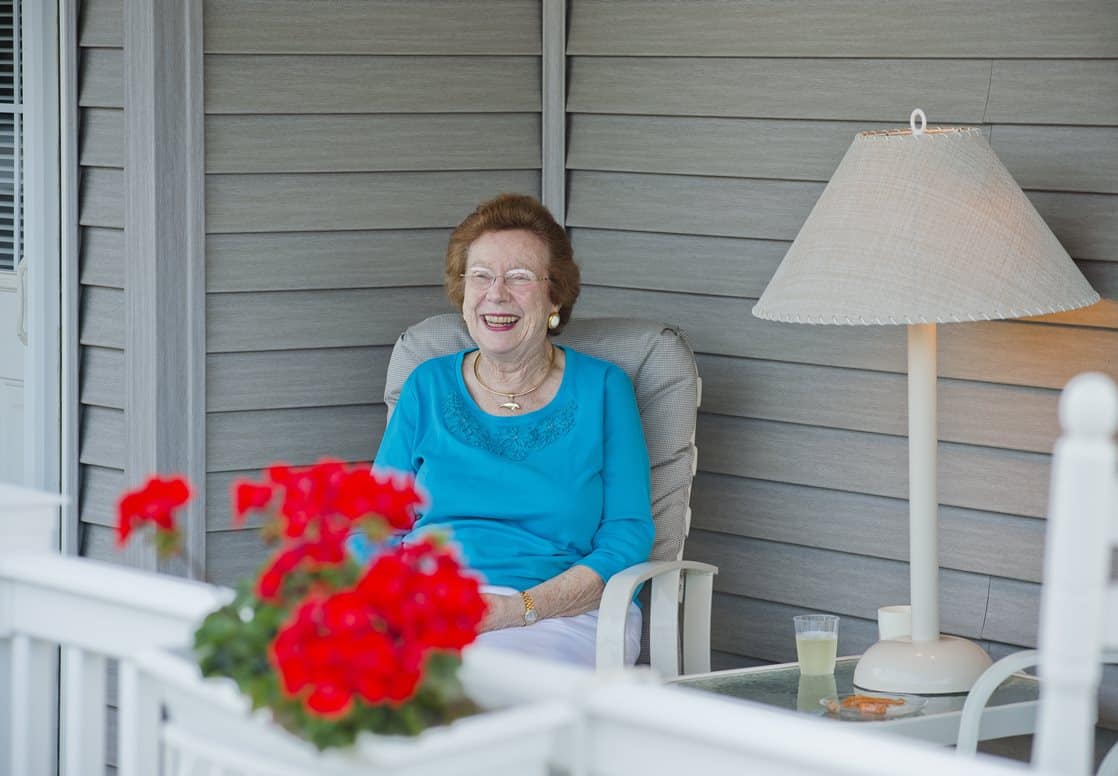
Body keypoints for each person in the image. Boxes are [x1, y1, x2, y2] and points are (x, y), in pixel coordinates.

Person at [364, 193, 653, 667]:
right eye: (481, 276)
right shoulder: (428, 385)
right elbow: (374, 526)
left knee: (477, 696)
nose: (496, 294)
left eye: (520, 278)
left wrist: (522, 608)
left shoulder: (603, 390)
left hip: (558, 613)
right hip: (427, 604)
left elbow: (627, 535)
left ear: (555, 294)